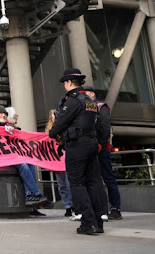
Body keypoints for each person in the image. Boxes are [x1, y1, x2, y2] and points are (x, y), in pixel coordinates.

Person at [48, 68, 107, 235]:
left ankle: (88, 223)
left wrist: (52, 133)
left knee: (77, 183)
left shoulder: (73, 100)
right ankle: (98, 223)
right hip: (91, 144)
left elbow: (61, 122)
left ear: (68, 82)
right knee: (93, 183)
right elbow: (101, 124)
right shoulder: (90, 101)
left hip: (77, 145)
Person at [0, 105, 50, 214]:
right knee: (23, 165)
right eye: (1, 113)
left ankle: (30, 197)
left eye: (5, 114)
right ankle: (36, 193)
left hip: (8, 156)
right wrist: (6, 129)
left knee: (30, 164)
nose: (3, 115)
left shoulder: (4, 125)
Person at [83, 87, 122, 220]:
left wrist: (101, 144)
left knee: (107, 177)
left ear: (92, 94)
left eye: (86, 93)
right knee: (94, 179)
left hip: (101, 148)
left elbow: (105, 127)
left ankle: (115, 208)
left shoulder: (101, 107)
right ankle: (100, 208)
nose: (84, 96)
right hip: (91, 148)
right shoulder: (86, 109)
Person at [46, 109, 79, 221]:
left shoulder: (65, 126)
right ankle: (68, 206)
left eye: (55, 115)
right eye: (52, 116)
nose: (53, 118)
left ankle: (74, 205)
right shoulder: (49, 130)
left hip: (65, 157)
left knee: (69, 183)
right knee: (61, 185)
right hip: (56, 160)